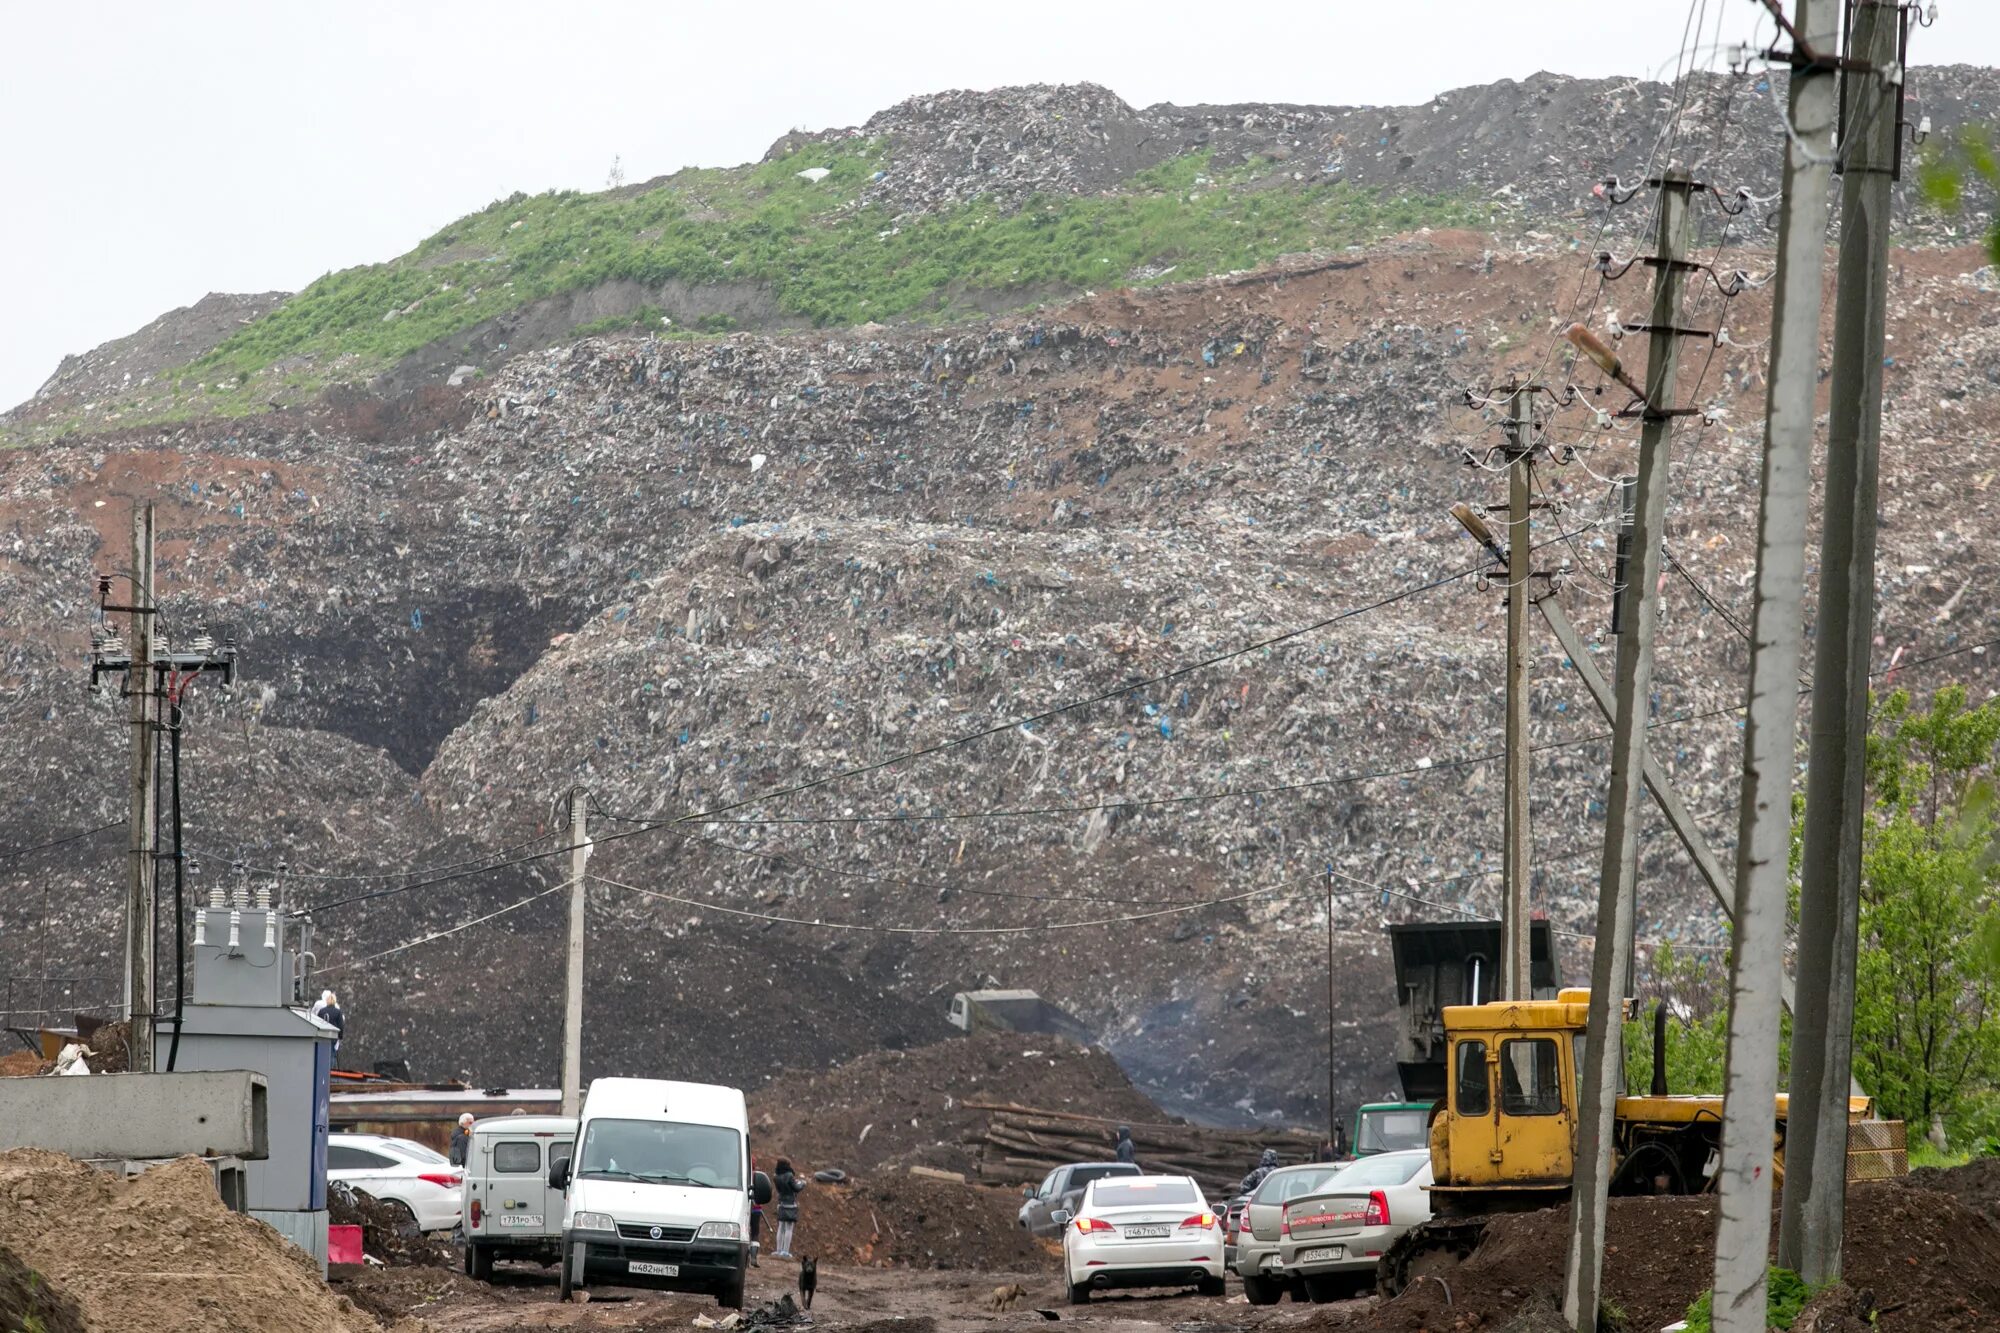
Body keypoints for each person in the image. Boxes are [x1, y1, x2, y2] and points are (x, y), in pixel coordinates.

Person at [773, 1158, 806, 1259]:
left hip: (781, 1203)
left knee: (781, 1227)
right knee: (789, 1228)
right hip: (790, 1204)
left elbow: (781, 1189)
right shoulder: (789, 1175)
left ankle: (778, 1250)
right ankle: (785, 1251)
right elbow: (796, 1188)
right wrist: (802, 1183)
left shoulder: (776, 1176)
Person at [319, 990, 345, 1061]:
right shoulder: (338, 1012)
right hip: (333, 1037)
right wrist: (340, 1036)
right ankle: (329, 1070)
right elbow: (341, 1026)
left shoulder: (322, 1011)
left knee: (322, 1055)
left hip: (322, 1036)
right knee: (332, 1055)